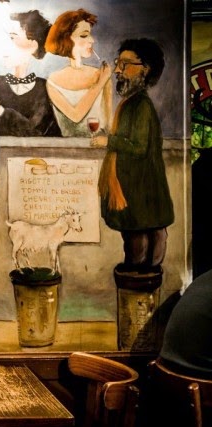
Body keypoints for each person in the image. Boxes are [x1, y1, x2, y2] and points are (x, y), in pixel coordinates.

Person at [91, 38, 174, 274]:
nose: (118, 70)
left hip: (140, 188)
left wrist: (109, 141)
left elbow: (138, 147)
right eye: (118, 63)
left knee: (140, 238)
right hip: (134, 187)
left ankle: (138, 279)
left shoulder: (141, 105)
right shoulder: (130, 103)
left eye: (125, 64)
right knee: (135, 236)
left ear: (144, 69)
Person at [0, 10, 62, 137]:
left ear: (33, 45)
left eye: (13, 37)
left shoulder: (43, 87)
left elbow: (33, 132)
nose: (4, 46)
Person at [44, 9, 113, 137]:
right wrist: (100, 83)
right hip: (69, 146)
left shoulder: (101, 74)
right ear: (67, 39)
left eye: (90, 35)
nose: (92, 40)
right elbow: (75, 116)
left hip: (98, 145)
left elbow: (109, 124)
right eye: (84, 35)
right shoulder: (53, 81)